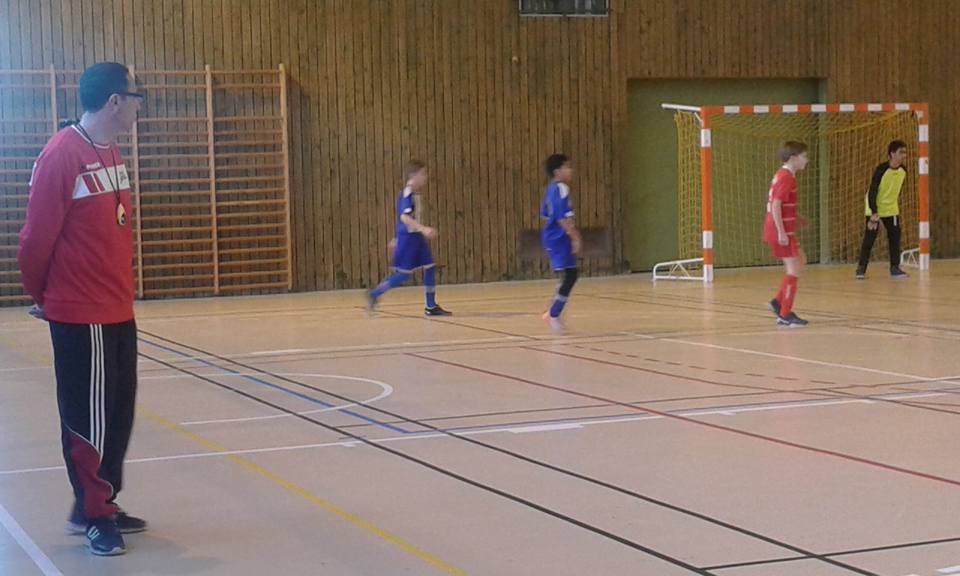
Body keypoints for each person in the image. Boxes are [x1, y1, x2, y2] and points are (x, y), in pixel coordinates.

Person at [18, 62, 146, 556]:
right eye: (136, 97)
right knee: (87, 418)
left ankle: (99, 501)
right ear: (115, 101)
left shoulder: (110, 150)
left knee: (117, 414)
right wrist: (43, 298)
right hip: (80, 312)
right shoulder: (61, 155)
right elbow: (35, 240)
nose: (139, 107)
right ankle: (95, 515)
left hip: (118, 307)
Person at [367, 160, 451, 316]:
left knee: (430, 267)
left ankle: (431, 306)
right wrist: (423, 229)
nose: (425, 177)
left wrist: (396, 236)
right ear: (414, 175)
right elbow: (404, 217)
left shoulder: (414, 193)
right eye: (423, 174)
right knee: (404, 274)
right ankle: (375, 293)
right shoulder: (408, 193)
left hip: (416, 238)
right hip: (409, 239)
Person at [763, 142, 809, 327]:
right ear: (793, 158)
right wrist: (781, 232)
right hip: (780, 230)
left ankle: (777, 302)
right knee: (793, 268)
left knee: (801, 260)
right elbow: (775, 205)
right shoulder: (786, 177)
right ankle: (784, 314)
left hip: (784, 228)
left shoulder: (785, 175)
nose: (806, 160)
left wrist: (797, 218)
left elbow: (783, 205)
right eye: (804, 156)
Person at [540, 154, 582, 334]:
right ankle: (554, 314)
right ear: (558, 171)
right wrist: (575, 237)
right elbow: (560, 217)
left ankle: (553, 311)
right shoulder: (561, 188)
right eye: (567, 167)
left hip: (555, 236)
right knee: (570, 275)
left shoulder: (551, 189)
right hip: (558, 237)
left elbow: (545, 213)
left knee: (569, 274)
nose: (570, 170)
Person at [855, 140, 910, 279]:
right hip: (875, 207)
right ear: (892, 154)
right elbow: (873, 191)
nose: (904, 155)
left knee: (895, 237)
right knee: (870, 238)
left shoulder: (903, 171)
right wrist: (874, 212)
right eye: (901, 152)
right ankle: (861, 269)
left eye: (905, 152)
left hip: (891, 208)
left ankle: (895, 268)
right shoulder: (881, 170)